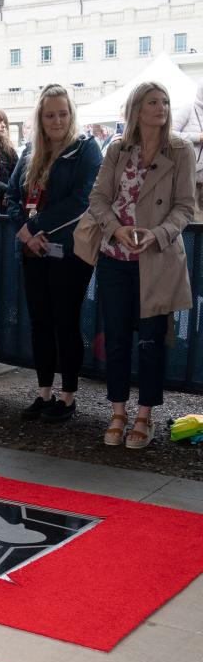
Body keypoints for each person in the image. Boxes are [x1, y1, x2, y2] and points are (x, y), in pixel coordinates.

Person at [88, 82, 195, 450]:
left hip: (157, 260)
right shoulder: (117, 149)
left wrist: (159, 233)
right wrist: (116, 230)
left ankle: (145, 415)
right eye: (153, 101)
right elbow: (98, 199)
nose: (161, 107)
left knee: (151, 342)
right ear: (137, 108)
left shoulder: (180, 150)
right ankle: (118, 412)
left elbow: (185, 206)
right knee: (115, 340)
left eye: (165, 100)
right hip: (115, 260)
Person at [6, 85, 101, 424]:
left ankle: (68, 396)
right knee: (40, 324)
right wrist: (26, 232)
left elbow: (82, 199)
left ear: (72, 114)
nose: (57, 120)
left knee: (65, 323)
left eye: (62, 113)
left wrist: (37, 228)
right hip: (33, 252)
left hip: (70, 253)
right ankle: (44, 392)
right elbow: (12, 197)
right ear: (41, 118)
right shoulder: (31, 149)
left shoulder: (87, 149)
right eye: (50, 115)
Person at [172, 78, 203, 221]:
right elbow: (170, 134)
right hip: (191, 174)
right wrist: (198, 137)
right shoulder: (188, 108)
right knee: (192, 218)